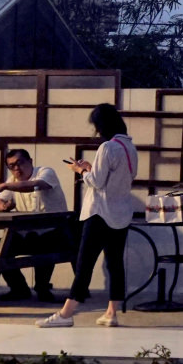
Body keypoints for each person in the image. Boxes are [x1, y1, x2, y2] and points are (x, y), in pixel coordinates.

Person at [37, 103, 138, 328]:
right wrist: (92, 168)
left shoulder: (107, 147)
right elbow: (116, 178)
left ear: (101, 125)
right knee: (115, 264)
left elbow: (96, 182)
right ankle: (111, 313)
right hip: (121, 213)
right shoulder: (130, 147)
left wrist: (81, 170)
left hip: (99, 214)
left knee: (84, 264)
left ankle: (66, 314)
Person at [0, 149, 70, 302]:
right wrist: (3, 206)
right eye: (11, 166)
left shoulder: (45, 172)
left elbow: (36, 185)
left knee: (45, 246)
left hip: (54, 232)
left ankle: (42, 288)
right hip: (27, 233)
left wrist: (4, 186)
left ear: (30, 161)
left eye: (19, 163)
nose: (16, 168)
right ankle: (19, 288)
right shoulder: (12, 182)